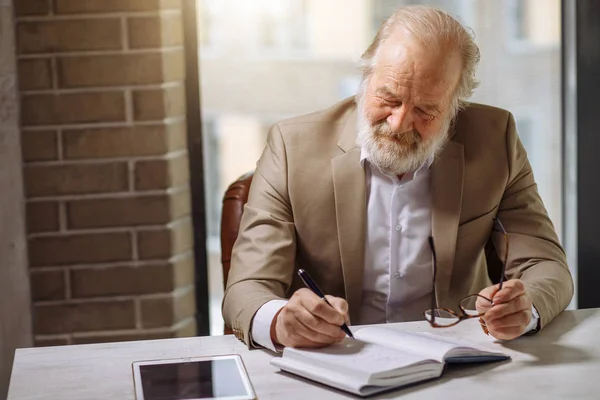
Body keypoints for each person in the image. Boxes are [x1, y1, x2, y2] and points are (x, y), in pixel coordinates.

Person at [222, 5, 573, 351]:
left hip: (455, 357)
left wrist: (525, 310)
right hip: (338, 356)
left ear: (454, 107)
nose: (400, 123)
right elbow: (246, 288)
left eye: (425, 110)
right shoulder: (291, 147)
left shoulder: (496, 138)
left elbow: (546, 266)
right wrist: (282, 319)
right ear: (365, 79)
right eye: (388, 98)